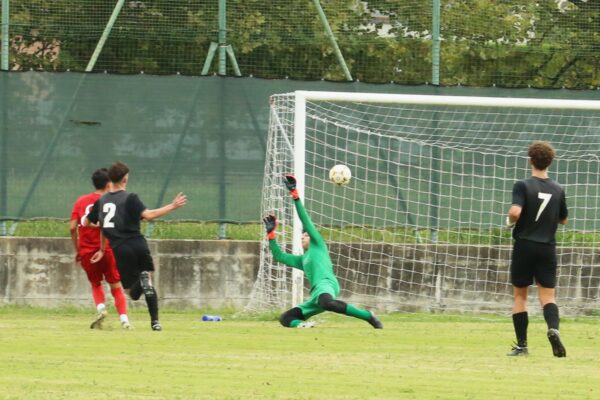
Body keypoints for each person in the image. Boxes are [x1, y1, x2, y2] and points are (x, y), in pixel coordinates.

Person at [263, 174, 383, 329]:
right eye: (302, 234)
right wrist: (271, 235)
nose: (303, 236)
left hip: (327, 284)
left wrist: (295, 194)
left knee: (326, 302)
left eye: (306, 234)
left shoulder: (317, 244)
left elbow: (305, 220)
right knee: (286, 318)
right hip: (316, 294)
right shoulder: (302, 260)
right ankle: (304, 327)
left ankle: (368, 316)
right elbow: (279, 256)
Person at [86, 161, 187, 331]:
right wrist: (173, 206)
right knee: (147, 279)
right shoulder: (130, 198)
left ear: (110, 179)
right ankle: (155, 322)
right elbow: (149, 215)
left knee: (131, 293)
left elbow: (89, 222)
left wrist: (102, 247)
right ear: (125, 179)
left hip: (121, 249)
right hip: (138, 244)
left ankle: (142, 283)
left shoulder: (102, 201)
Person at [506, 141, 568, 357]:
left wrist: (510, 221)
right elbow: (564, 219)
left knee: (520, 296)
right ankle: (553, 329)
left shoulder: (523, 185)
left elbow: (515, 212)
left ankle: (522, 346)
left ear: (530, 160)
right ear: (550, 162)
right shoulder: (558, 189)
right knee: (548, 297)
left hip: (525, 245)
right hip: (547, 248)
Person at [70, 168, 130, 330]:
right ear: (109, 183)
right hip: (108, 249)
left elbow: (72, 227)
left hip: (86, 250)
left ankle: (101, 309)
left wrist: (77, 249)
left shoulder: (81, 201)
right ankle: (124, 320)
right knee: (116, 285)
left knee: (96, 283)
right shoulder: (111, 201)